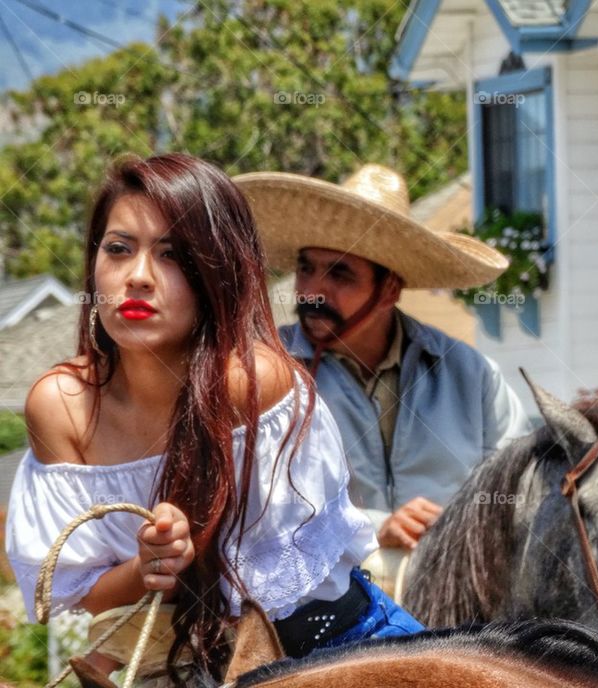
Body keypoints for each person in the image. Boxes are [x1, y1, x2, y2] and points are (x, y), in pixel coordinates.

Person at [4, 153, 422, 686]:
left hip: (334, 649)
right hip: (175, 665)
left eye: (173, 255)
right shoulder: (60, 403)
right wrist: (148, 565)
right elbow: (81, 589)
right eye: (118, 249)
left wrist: (191, 559)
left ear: (215, 275)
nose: (137, 277)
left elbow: (270, 592)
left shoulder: (256, 383)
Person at [232, 165, 531, 559]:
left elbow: (523, 489)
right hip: (323, 612)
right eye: (306, 269)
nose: (311, 290)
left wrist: (461, 525)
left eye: (339, 273)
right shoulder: (268, 374)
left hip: (459, 608)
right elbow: (256, 505)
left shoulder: (470, 375)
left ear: (389, 289)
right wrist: (374, 527)